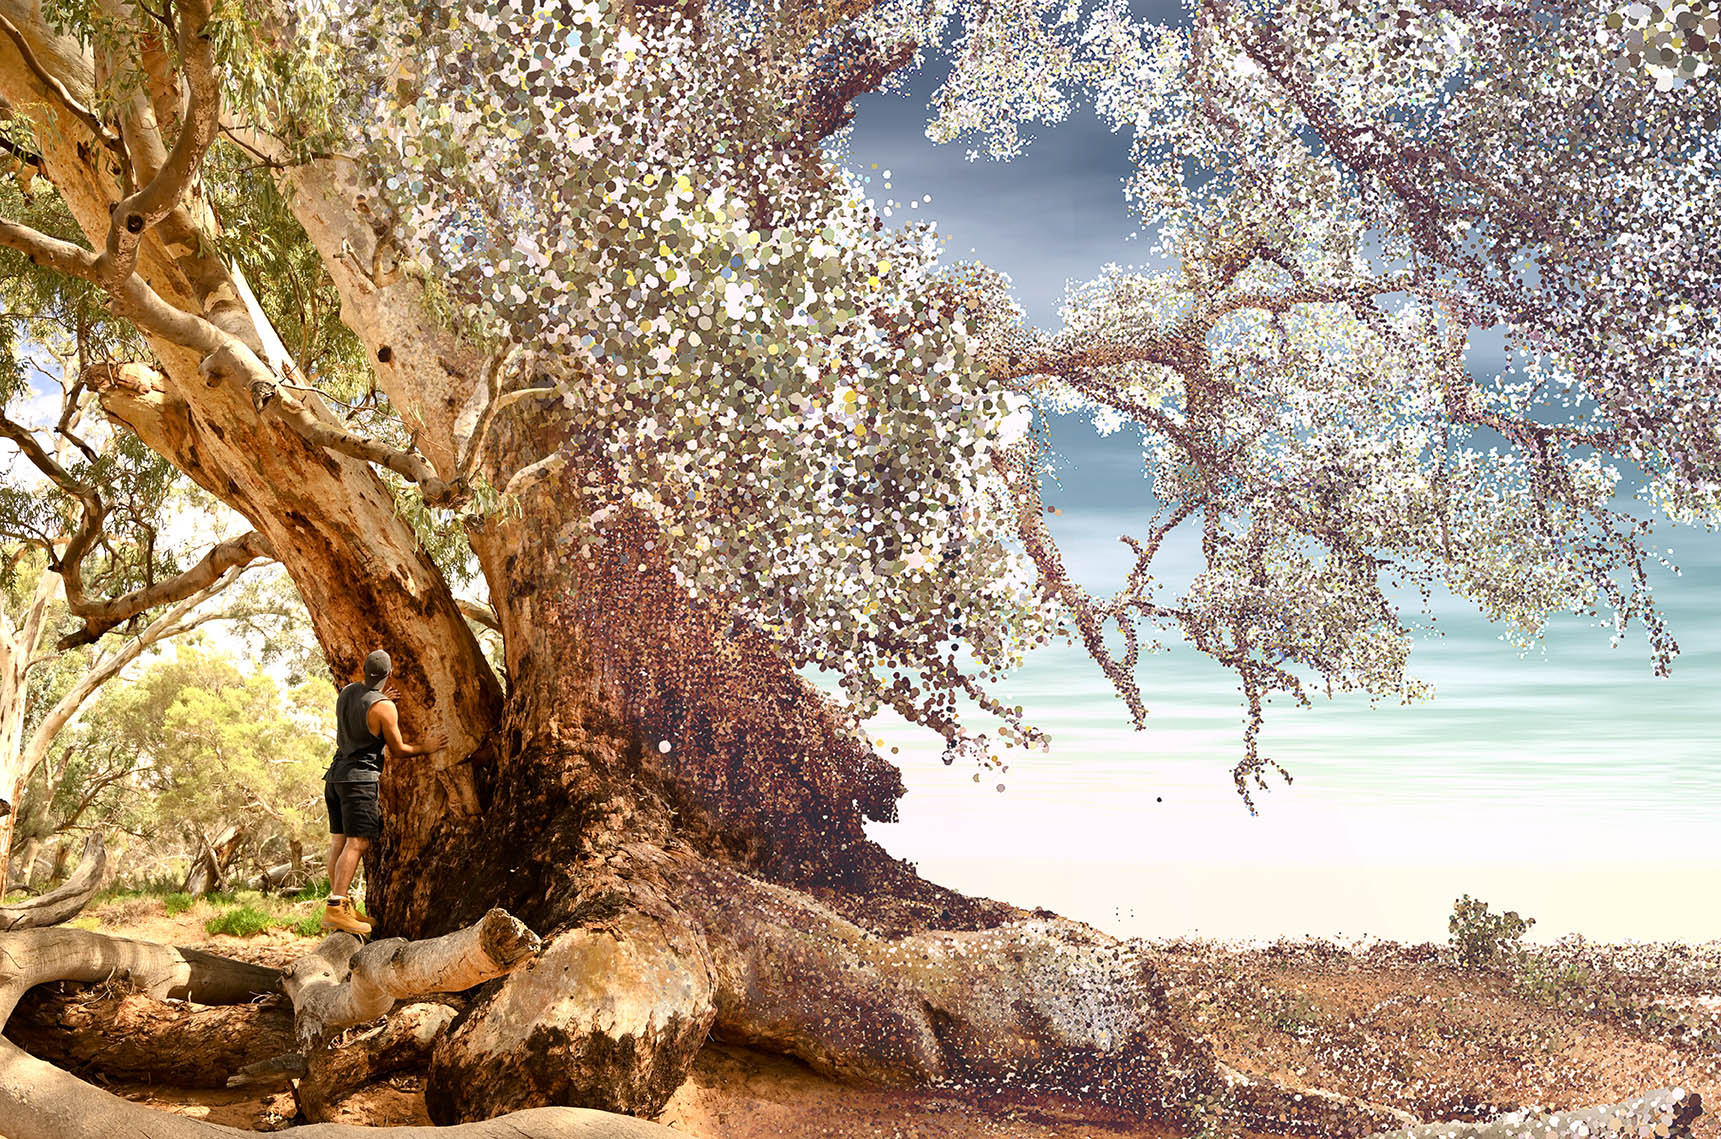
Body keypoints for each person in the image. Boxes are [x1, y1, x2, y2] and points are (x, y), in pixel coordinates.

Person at [322, 649, 445, 935]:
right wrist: (426, 747)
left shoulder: (348, 691)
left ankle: (339, 903)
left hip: (335, 777)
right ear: (389, 674)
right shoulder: (384, 707)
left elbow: (363, 704)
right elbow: (399, 750)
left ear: (364, 671)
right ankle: (337, 909)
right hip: (359, 782)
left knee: (338, 843)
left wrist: (382, 697)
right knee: (357, 844)